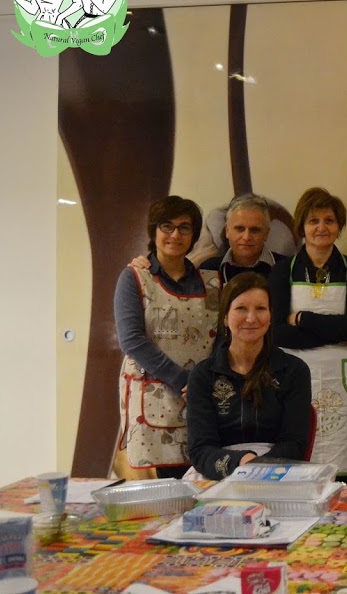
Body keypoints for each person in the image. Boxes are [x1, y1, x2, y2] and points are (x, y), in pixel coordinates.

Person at [113, 196, 220, 480]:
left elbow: (221, 338)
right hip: (153, 397)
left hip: (200, 397)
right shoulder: (134, 278)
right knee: (159, 487)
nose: (175, 235)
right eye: (167, 226)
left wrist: (202, 382)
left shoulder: (212, 282)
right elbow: (132, 340)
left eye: (184, 227)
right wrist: (184, 381)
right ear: (154, 230)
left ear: (194, 235)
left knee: (200, 480)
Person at [269, 187, 347, 477]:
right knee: (301, 446)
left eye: (329, 220)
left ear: (339, 226)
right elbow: (278, 333)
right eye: (313, 221)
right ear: (301, 226)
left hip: (346, 375)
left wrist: (302, 318)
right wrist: (336, 330)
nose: (321, 228)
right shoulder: (282, 271)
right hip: (297, 371)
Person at [186, 273, 312, 480]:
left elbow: (294, 443)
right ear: (225, 317)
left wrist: (257, 468)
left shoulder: (294, 370)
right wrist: (241, 463)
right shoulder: (203, 375)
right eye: (241, 309)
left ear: (270, 316)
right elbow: (200, 449)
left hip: (278, 471)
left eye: (260, 308)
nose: (251, 318)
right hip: (219, 471)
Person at [199, 193, 286, 283]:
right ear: (227, 231)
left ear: (266, 234)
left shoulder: (287, 268)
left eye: (255, 230)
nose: (246, 237)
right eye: (239, 229)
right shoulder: (209, 269)